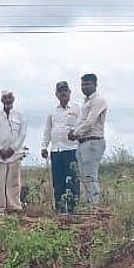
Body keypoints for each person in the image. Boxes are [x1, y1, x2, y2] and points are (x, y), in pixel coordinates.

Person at [67, 73, 108, 206]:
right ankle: (89, 205)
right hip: (82, 142)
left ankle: (94, 206)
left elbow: (90, 122)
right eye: (83, 84)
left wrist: (76, 132)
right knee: (84, 177)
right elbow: (81, 121)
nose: (84, 87)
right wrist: (73, 131)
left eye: (87, 84)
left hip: (93, 141)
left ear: (95, 85)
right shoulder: (85, 102)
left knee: (90, 176)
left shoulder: (99, 101)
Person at [40, 80, 80, 213]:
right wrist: (44, 146)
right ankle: (60, 209)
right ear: (56, 94)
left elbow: (82, 127)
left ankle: (73, 209)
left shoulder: (76, 109)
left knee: (72, 180)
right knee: (58, 182)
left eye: (65, 90)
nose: (63, 93)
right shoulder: (52, 112)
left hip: (72, 149)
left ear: (69, 92)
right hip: (56, 151)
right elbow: (47, 131)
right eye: (60, 91)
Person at [0, 90, 26, 214]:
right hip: (0, 155)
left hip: (14, 153)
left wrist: (12, 149)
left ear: (13, 99)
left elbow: (22, 134)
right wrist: (0, 150)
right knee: (0, 181)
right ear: (2, 100)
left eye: (10, 98)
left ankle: (14, 206)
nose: (8, 100)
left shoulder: (20, 115)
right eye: (5, 98)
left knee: (14, 181)